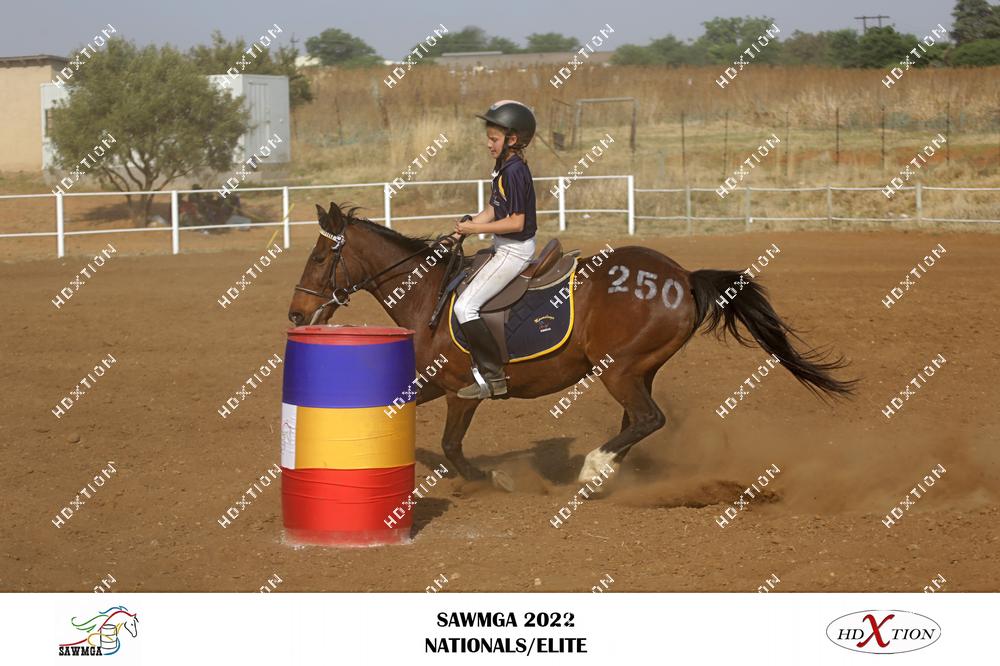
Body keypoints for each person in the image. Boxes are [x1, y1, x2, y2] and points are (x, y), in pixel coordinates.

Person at [450, 100, 538, 400]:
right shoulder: (504, 166)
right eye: (488, 138)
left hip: (515, 251)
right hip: (503, 246)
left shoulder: (514, 172)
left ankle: (493, 377)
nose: (488, 144)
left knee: (465, 307)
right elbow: (493, 208)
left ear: (512, 140)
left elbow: (516, 222)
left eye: (494, 139)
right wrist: (467, 225)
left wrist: (475, 230)